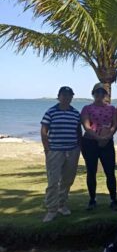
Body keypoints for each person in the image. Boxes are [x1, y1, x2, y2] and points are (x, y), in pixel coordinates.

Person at [40, 86, 82, 222]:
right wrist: (47, 149)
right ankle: (51, 209)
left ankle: (61, 205)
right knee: (53, 180)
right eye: (64, 95)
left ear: (72, 97)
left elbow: (78, 131)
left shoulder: (75, 113)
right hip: (55, 151)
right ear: (59, 97)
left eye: (69, 95)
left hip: (72, 150)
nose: (66, 98)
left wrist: (79, 148)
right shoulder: (51, 112)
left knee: (67, 180)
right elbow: (44, 131)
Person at [80, 82, 117, 211]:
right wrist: (98, 137)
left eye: (102, 92)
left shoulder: (112, 109)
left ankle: (113, 199)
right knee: (91, 171)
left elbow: (114, 125)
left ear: (105, 94)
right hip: (90, 143)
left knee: (110, 172)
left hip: (107, 143)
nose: (100, 94)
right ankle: (92, 199)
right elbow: (86, 126)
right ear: (93, 93)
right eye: (97, 92)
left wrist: (107, 137)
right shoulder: (87, 108)